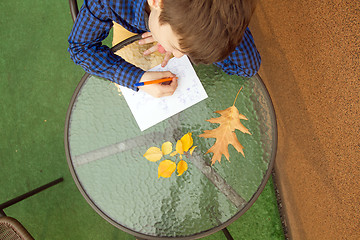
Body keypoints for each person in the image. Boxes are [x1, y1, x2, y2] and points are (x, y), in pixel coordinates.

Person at [68, 0, 261, 98]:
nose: (178, 56)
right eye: (177, 48)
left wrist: (179, 37)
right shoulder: (110, 1)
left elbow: (247, 67)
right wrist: (139, 79)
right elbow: (80, 48)